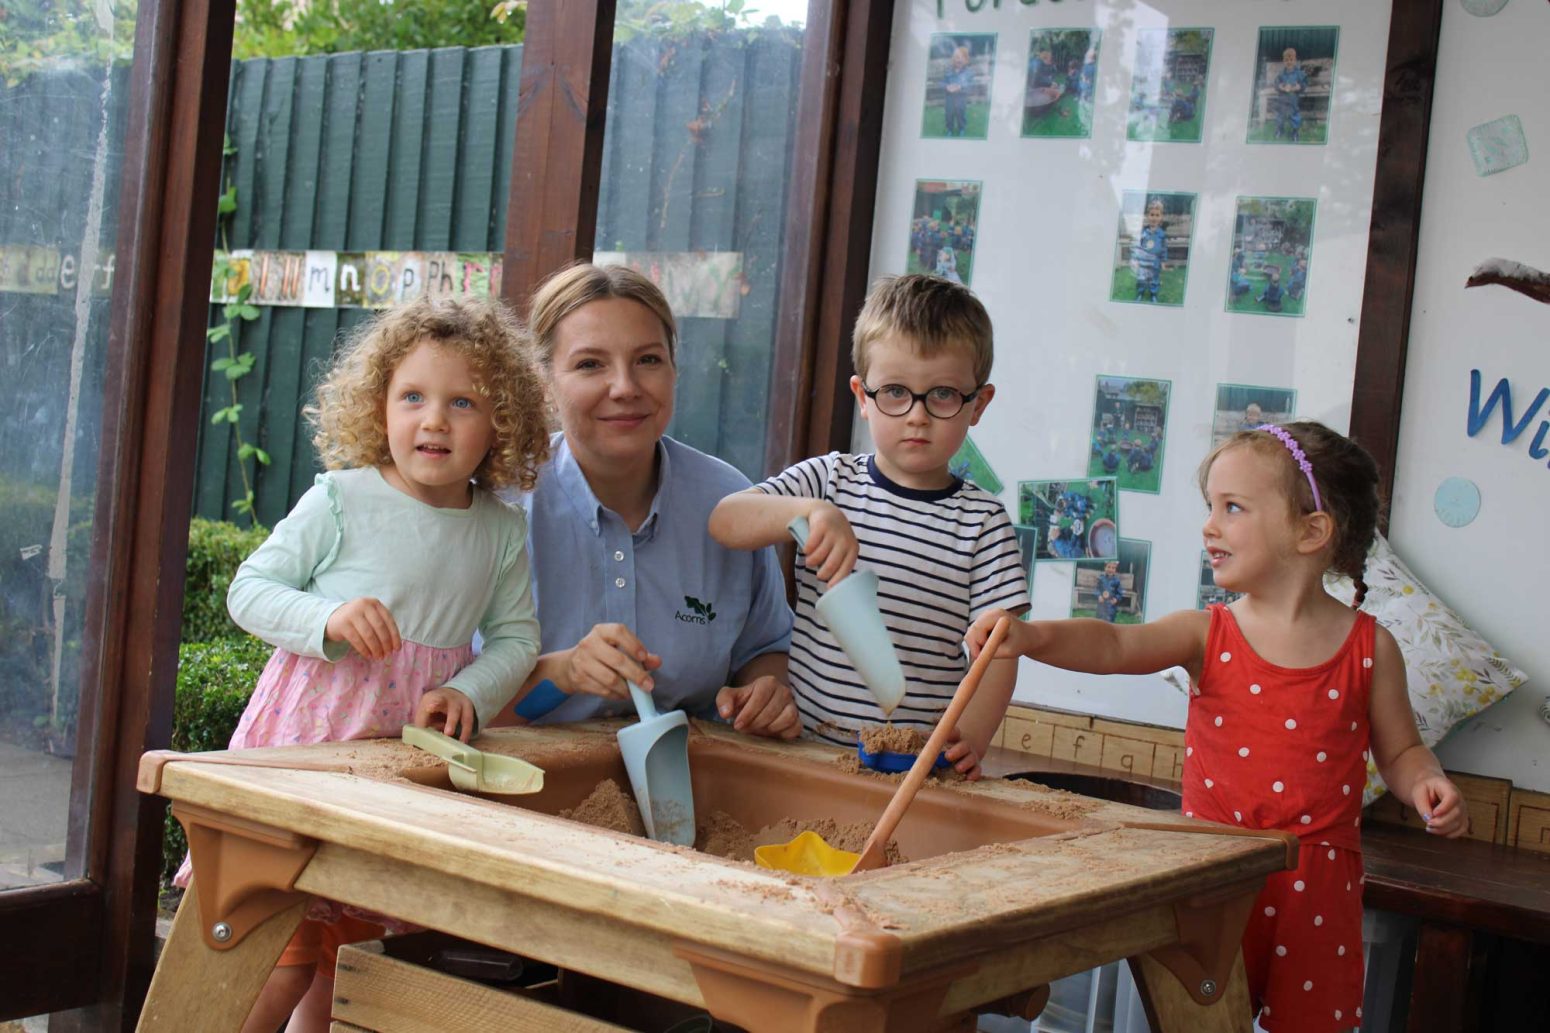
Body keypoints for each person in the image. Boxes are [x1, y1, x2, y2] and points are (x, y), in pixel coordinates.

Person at [969, 421, 1467, 1033]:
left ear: (1311, 531)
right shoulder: (1208, 634)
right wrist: (1033, 635)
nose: (1210, 525)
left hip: (1316, 889)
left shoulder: (1370, 647)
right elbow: (1114, 645)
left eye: (1232, 508)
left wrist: (1426, 783)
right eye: (1212, 506)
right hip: (1210, 875)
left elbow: (1401, 750)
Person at [187, 296, 552, 1033]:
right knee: (277, 942)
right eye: (412, 396)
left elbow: (517, 639)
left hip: (399, 771)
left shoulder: (499, 530)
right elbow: (248, 591)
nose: (434, 420)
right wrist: (327, 617)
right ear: (377, 402)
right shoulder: (342, 500)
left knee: (341, 953)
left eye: (464, 402)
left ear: (502, 421)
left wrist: (467, 691)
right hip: (308, 757)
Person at [708, 274, 1028, 776]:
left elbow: (1000, 651)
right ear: (862, 394)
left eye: (942, 395)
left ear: (978, 404)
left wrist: (971, 737)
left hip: (915, 762)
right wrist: (808, 512)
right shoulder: (827, 481)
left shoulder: (982, 525)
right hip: (806, 749)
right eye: (896, 392)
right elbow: (725, 520)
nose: (917, 417)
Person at [497, 263, 800, 738]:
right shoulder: (496, 507)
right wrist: (561, 673)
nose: (625, 388)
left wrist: (765, 692)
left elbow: (764, 649)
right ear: (543, 383)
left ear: (674, 370)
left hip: (692, 791)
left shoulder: (729, 501)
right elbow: (447, 705)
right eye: (590, 364)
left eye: (648, 360)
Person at [1132, 198, 1167, 303]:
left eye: (1157, 215)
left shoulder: (1161, 234)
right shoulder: (1143, 232)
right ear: (1147, 216)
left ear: (1161, 217)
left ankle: (1153, 294)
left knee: (1154, 279)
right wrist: (1135, 259)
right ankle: (1140, 292)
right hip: (1143, 261)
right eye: (1152, 215)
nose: (1154, 218)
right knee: (1142, 278)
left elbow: (1164, 248)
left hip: (1155, 262)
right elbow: (1137, 246)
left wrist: (1163, 261)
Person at [1271, 47, 1309, 141]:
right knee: (1280, 116)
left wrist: (1298, 87)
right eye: (1286, 60)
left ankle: (1295, 131)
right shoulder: (1281, 74)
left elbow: (1304, 83)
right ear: (1284, 61)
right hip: (1282, 100)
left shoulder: (1299, 74)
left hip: (1293, 100)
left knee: (1295, 116)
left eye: (1291, 60)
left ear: (1295, 60)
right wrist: (1281, 87)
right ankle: (1280, 130)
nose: (1289, 62)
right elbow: (1276, 84)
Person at [941, 44, 973, 137]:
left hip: (961, 99)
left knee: (960, 114)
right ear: (953, 59)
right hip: (949, 98)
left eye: (961, 57)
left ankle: (961, 129)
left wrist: (960, 87)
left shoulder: (968, 73)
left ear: (966, 60)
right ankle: (949, 129)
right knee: (949, 114)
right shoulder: (948, 72)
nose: (958, 60)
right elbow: (942, 83)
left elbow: (970, 84)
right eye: (956, 57)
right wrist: (947, 87)